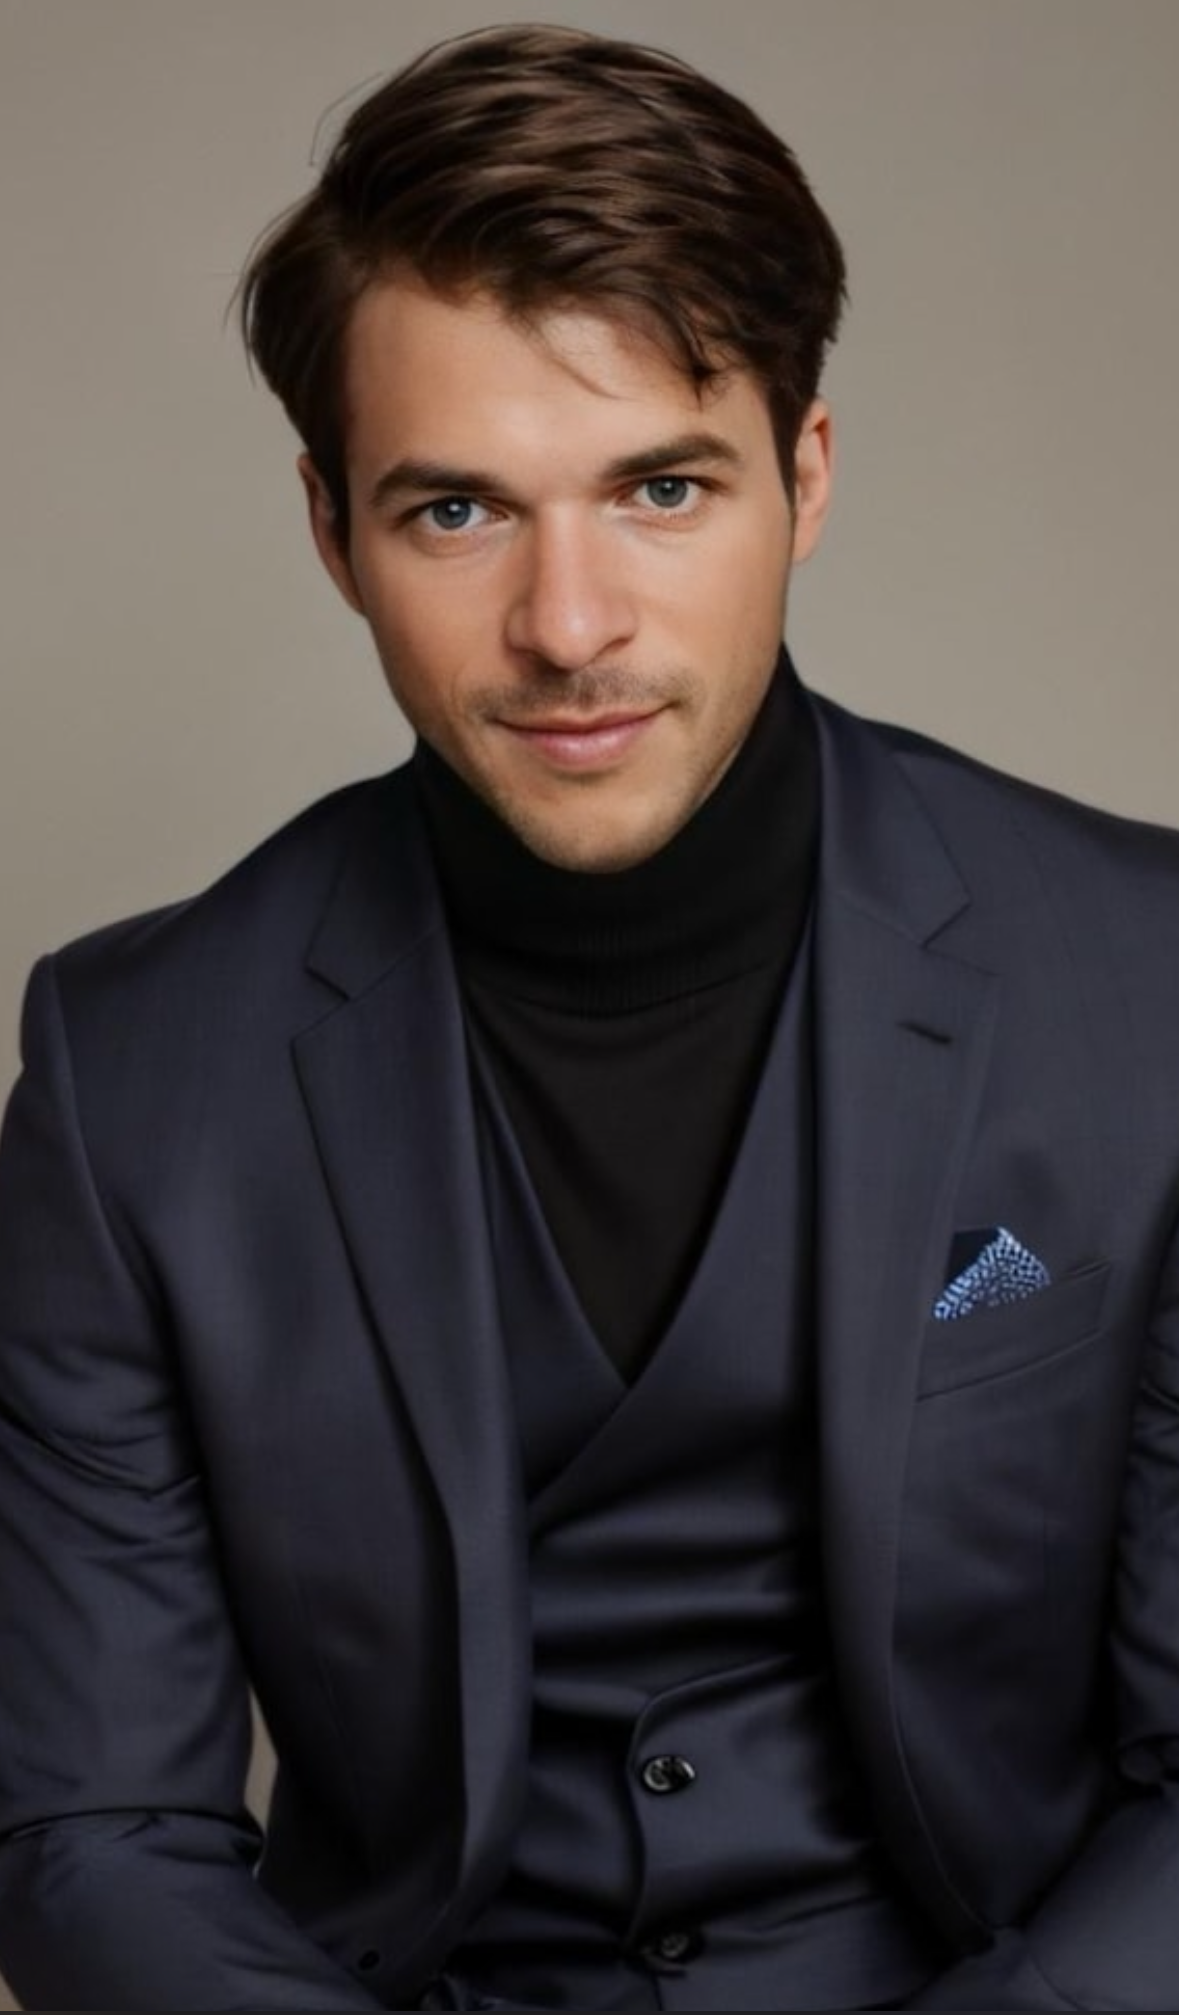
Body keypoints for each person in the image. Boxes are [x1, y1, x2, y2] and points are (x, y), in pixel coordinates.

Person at [0, 21, 1177, 2013]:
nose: (567, 625)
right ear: (331, 530)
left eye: (659, 487)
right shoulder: (136, 1071)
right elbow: (89, 1832)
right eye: (455, 512)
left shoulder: (1144, 979)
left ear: (804, 477)